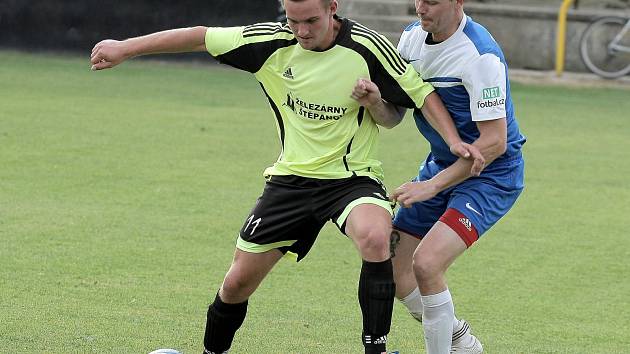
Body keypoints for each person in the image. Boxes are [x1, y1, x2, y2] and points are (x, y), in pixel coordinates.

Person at [90, 0, 484, 352]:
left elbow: (420, 94)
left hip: (352, 179)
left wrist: (453, 141)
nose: (302, 31)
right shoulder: (270, 43)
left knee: (375, 235)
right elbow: (200, 37)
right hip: (290, 181)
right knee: (236, 285)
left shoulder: (368, 47)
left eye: (311, 20)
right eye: (293, 20)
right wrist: (126, 48)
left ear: (333, 8)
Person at [352, 0, 526, 353]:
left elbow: (493, 143)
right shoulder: (410, 40)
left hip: (492, 175)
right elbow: (392, 117)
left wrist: (431, 186)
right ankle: (460, 340)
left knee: (427, 264)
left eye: (431, 0)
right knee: (393, 266)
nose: (420, 7)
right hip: (442, 165)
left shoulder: (480, 56)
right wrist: (373, 102)